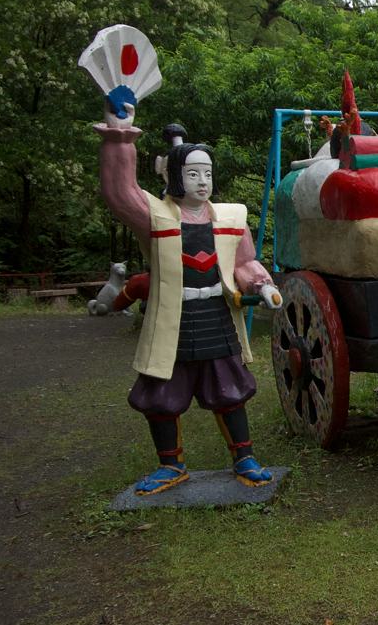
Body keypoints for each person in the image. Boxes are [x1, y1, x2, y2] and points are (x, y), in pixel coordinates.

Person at [96, 102, 283, 495]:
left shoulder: (231, 218)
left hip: (216, 316)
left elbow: (245, 264)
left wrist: (262, 285)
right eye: (193, 173)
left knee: (230, 389)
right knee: (162, 394)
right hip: (172, 321)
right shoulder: (156, 216)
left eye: (208, 173)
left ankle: (244, 457)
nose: (202, 181)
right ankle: (170, 465)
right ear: (175, 176)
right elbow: (119, 191)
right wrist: (119, 134)